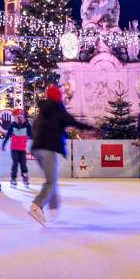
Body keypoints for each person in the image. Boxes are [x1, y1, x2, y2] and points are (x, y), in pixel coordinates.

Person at [28, 84, 94, 226]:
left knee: (50, 180)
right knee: (50, 181)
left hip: (37, 148)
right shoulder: (57, 109)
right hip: (48, 148)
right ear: (58, 97)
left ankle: (53, 207)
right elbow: (73, 122)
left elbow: (33, 128)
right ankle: (37, 205)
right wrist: (91, 127)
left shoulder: (42, 111)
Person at [2, 108, 32, 188]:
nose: (17, 118)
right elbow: (7, 136)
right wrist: (4, 144)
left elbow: (31, 134)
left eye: (19, 116)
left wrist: (28, 125)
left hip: (22, 148)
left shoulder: (26, 125)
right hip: (14, 148)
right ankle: (13, 178)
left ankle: (25, 177)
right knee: (15, 163)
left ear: (22, 116)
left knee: (23, 164)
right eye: (15, 117)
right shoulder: (12, 125)